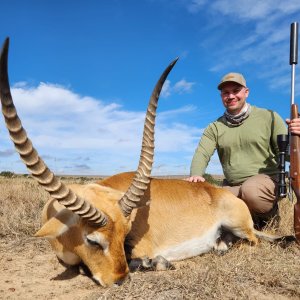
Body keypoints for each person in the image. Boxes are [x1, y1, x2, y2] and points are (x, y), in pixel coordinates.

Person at [186, 72, 300, 228]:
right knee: (206, 203)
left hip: (265, 183)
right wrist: (196, 175)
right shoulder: (214, 127)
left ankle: (267, 219)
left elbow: (289, 154)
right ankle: (243, 223)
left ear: (246, 92)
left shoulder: (269, 117)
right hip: (232, 186)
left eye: (235, 91)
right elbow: (202, 153)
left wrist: (296, 137)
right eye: (226, 92)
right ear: (221, 97)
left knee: (250, 190)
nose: (231, 96)